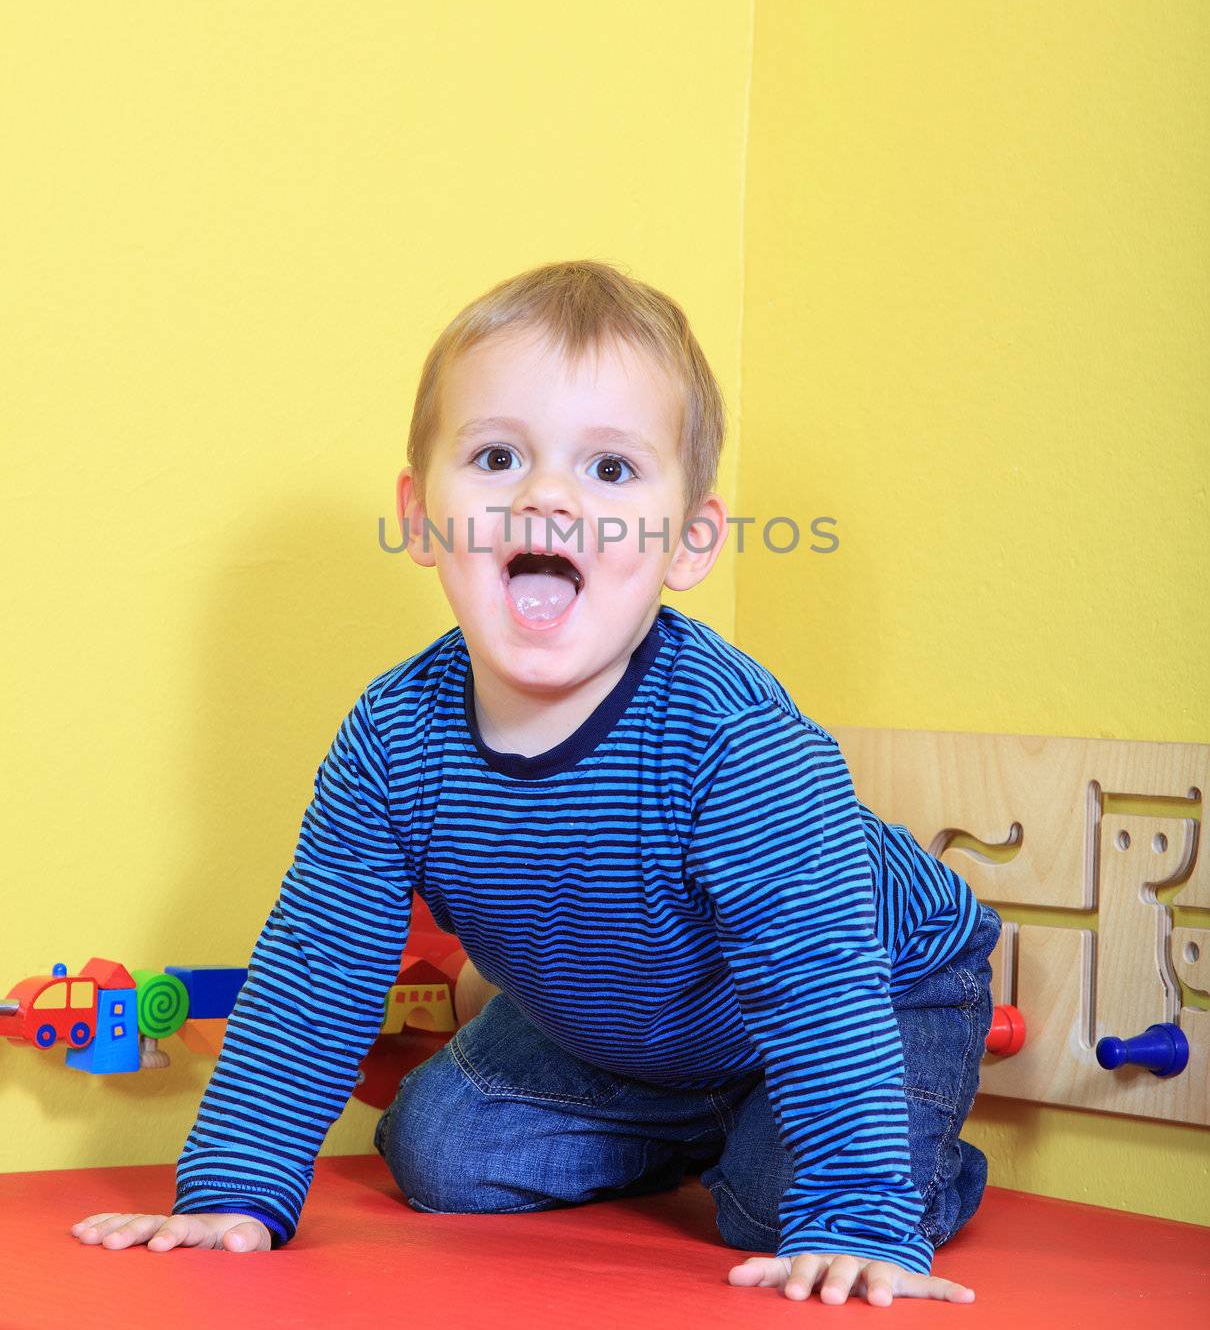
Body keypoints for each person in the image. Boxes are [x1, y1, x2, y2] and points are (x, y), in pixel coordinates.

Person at [70, 258, 999, 1307]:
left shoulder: (731, 739)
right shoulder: (392, 737)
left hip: (873, 981)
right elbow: (317, 964)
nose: (547, 496)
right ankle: (706, 1122)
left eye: (610, 470)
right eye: (498, 455)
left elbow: (816, 976)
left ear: (689, 540)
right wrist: (231, 1191)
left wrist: (862, 1213)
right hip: (627, 1018)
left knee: (786, 1211)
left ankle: (901, 1161)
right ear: (422, 519)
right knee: (436, 1152)